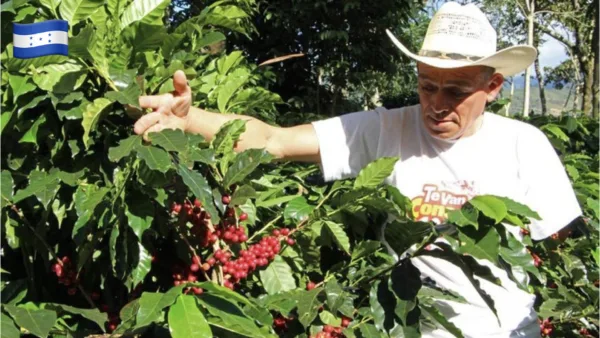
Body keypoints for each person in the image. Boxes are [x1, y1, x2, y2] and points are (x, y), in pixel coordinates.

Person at [133, 2, 582, 337]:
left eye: (457, 90)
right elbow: (275, 139)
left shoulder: (526, 145)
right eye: (427, 86)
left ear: (493, 86)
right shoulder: (386, 129)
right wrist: (188, 120)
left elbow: (554, 250)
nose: (437, 103)